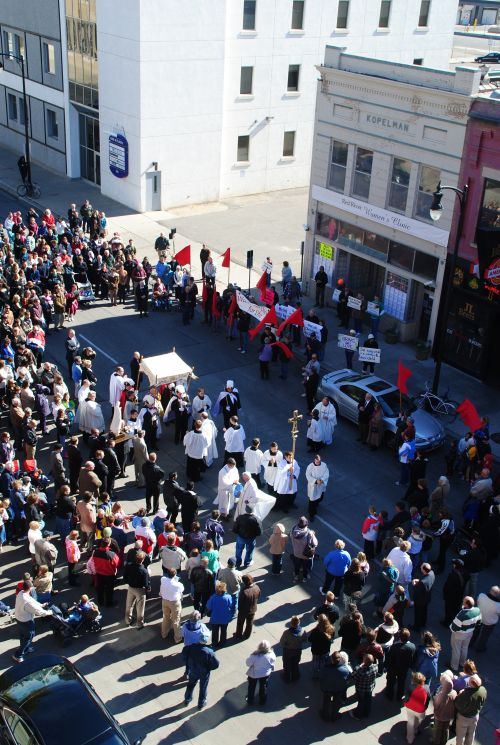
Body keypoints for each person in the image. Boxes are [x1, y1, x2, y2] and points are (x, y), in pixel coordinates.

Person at [13, 580, 52, 663]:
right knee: (29, 637)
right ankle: (18, 655)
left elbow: (32, 601)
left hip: (19, 618)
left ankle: (25, 648)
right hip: (26, 621)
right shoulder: (27, 601)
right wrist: (50, 612)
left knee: (22, 635)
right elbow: (40, 612)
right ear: (30, 588)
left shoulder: (21, 593)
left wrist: (41, 605)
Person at [183, 641, 220, 710]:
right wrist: (208, 668)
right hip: (204, 673)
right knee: (203, 687)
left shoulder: (190, 647)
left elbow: (184, 657)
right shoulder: (209, 652)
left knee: (190, 685)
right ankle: (201, 703)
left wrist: (189, 665)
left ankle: (187, 699)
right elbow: (216, 665)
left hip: (193, 670)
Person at [449, 597, 482, 672]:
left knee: (456, 650)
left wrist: (451, 629)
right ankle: (462, 663)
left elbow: (454, 627)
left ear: (467, 604)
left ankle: (454, 667)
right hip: (470, 633)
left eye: (463, 601)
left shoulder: (462, 615)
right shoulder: (478, 610)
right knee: (464, 648)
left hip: (459, 634)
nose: (462, 602)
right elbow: (479, 623)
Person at [454, 674, 487, 745]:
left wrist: (460, 694)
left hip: (464, 718)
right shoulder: (483, 690)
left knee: (460, 736)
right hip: (475, 716)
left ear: (472, 683)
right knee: (471, 734)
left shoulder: (466, 695)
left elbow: (457, 704)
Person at [318, 650, 351, 722]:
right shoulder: (345, 670)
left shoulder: (325, 669)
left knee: (326, 702)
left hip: (327, 689)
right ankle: (334, 716)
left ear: (332, 659)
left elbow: (321, 678)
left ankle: (325, 715)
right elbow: (348, 679)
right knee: (337, 702)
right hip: (339, 689)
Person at [385, 627, 415, 701]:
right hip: (404, 669)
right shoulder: (412, 646)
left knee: (391, 681)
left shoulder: (395, 646)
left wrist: (386, 665)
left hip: (393, 668)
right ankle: (399, 696)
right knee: (401, 682)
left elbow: (390, 657)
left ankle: (389, 694)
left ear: (400, 637)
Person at [124, 550, 150, 629]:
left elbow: (125, 577)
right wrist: (148, 588)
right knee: (140, 608)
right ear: (142, 560)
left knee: (129, 605)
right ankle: (140, 624)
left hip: (131, 588)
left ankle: (127, 620)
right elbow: (145, 584)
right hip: (140, 591)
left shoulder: (129, 566)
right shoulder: (144, 571)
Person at [245, 640, 276, 705]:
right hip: (265, 674)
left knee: (251, 687)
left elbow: (248, 663)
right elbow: (273, 662)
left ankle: (250, 700)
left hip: (254, 674)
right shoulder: (271, 654)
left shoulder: (255, 655)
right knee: (263, 687)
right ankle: (262, 701)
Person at [92, 537, 120, 607]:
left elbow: (93, 560)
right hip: (109, 575)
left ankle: (100, 601)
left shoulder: (95, 552)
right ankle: (109, 603)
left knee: (100, 588)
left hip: (99, 573)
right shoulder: (112, 554)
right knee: (109, 590)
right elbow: (117, 563)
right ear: (109, 544)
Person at [349, 653, 378, 720]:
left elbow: (353, 676)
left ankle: (358, 715)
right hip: (370, 687)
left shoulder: (361, 671)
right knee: (368, 700)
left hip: (361, 688)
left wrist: (359, 666)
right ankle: (367, 712)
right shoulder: (375, 666)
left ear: (364, 661)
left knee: (361, 701)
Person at [404, 672, 430, 744]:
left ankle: (410, 739)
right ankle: (415, 730)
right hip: (420, 711)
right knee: (418, 721)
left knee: (410, 722)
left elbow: (406, 698)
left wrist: (405, 702)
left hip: (410, 708)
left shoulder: (410, 687)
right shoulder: (427, 688)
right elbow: (428, 700)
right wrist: (425, 708)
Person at [290, 516, 318, 583]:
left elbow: (290, 537)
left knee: (297, 565)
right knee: (305, 567)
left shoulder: (293, 530)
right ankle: (304, 577)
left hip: (296, 553)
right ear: (306, 524)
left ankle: (296, 575)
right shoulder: (309, 533)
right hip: (305, 554)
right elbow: (315, 543)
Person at [432, 671, 457, 745]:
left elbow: (435, 705)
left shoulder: (441, 694)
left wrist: (434, 698)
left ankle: (436, 742)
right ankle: (444, 742)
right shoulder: (454, 692)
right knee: (446, 729)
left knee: (437, 731)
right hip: (448, 716)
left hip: (440, 716)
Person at [233, 504, 262, 569]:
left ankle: (237, 562)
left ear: (245, 510)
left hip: (241, 537)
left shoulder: (240, 517)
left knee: (238, 550)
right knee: (249, 551)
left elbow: (235, 528)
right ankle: (247, 563)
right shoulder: (256, 519)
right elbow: (259, 532)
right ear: (252, 511)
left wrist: (237, 532)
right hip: (251, 539)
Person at [160, 567, 184, 642]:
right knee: (176, 620)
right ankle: (177, 638)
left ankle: (164, 633)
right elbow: (181, 590)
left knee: (166, 617)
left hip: (164, 601)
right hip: (174, 603)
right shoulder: (178, 585)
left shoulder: (163, 579)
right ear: (175, 575)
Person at [280, 616, 307, 682]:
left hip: (288, 651)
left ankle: (287, 677)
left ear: (291, 623)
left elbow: (282, 642)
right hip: (297, 650)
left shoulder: (286, 632)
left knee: (287, 664)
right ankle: (295, 676)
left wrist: (286, 645)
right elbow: (305, 640)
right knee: (295, 664)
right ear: (299, 623)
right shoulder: (303, 631)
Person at [205, 580, 233, 647]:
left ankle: (214, 643)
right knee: (223, 631)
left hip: (215, 618)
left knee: (215, 632)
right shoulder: (228, 597)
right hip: (225, 618)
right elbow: (231, 605)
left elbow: (208, 607)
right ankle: (222, 643)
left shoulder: (213, 597)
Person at [474, 585, 500, 651]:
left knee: (475, 631)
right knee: (485, 635)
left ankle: (471, 643)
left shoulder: (481, 595)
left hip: (479, 617)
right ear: (497, 595)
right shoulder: (498, 605)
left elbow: (477, 603)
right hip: (490, 622)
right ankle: (480, 648)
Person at [235, 574, 260, 639]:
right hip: (253, 609)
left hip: (243, 610)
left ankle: (238, 634)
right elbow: (258, 596)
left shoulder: (244, 591)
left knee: (240, 623)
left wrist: (239, 609)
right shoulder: (257, 587)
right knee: (249, 623)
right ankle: (247, 635)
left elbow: (240, 602)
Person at [309, 614, 335, 678]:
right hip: (325, 650)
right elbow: (332, 638)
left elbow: (310, 639)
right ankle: (322, 675)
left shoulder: (315, 630)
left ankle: (315, 676)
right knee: (323, 662)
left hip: (316, 650)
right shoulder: (331, 628)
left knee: (315, 662)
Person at [441, 558, 466, 626]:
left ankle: (447, 623)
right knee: (454, 609)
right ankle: (452, 621)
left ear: (455, 565)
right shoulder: (463, 573)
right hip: (458, 595)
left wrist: (445, 593)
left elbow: (448, 586)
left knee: (448, 609)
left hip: (451, 596)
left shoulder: (453, 575)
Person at [411, 563, 435, 631]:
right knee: (424, 611)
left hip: (420, 600)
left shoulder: (422, 583)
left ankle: (416, 627)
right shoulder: (432, 573)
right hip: (427, 598)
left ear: (424, 570)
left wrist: (414, 584)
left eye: (421, 568)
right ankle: (423, 623)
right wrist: (419, 581)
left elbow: (418, 590)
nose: (420, 569)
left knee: (418, 613)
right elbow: (425, 582)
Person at [305, 454, 329, 521]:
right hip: (313, 486)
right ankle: (311, 514)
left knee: (320, 497)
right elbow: (307, 475)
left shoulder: (324, 465)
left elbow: (326, 473)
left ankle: (316, 504)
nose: (318, 463)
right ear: (314, 460)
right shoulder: (310, 466)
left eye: (319, 461)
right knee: (312, 500)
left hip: (321, 485)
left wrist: (321, 480)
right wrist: (315, 481)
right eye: (317, 461)